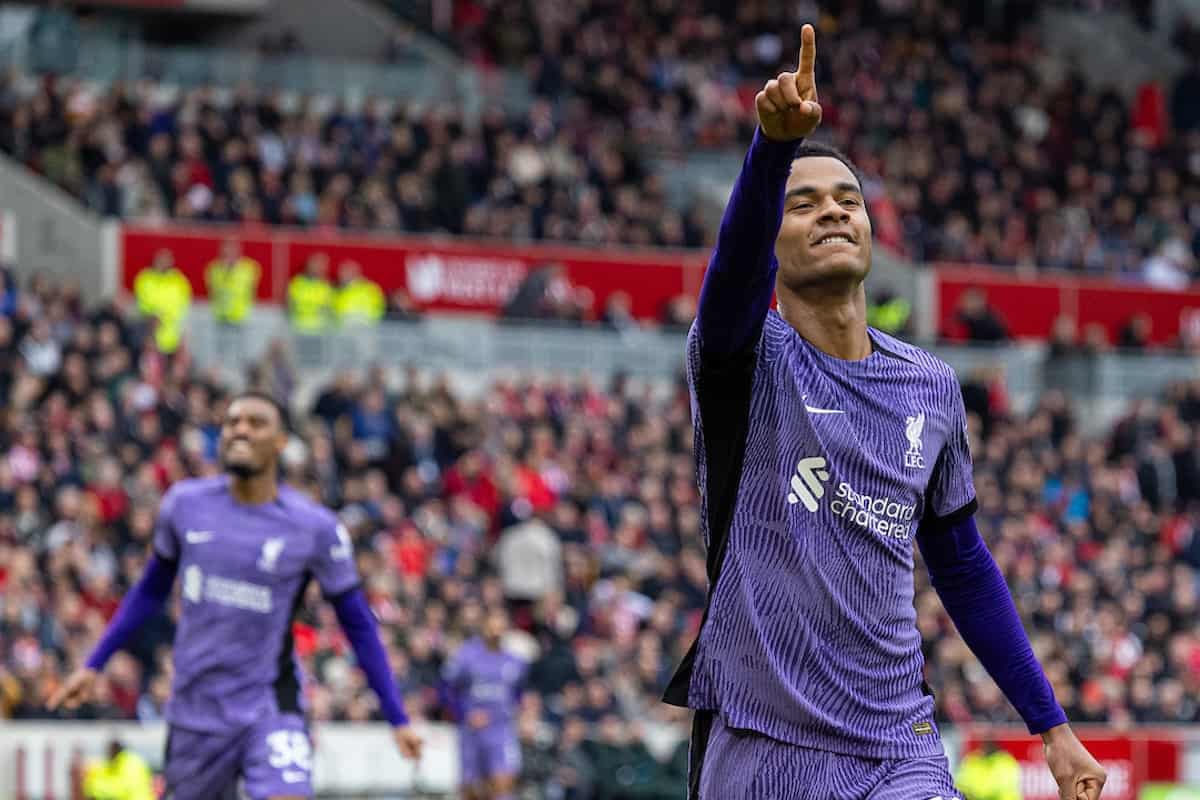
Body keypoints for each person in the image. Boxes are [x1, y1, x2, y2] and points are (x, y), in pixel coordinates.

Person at [660, 25, 1106, 800]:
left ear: (870, 229)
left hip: (898, 746)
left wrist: (1052, 726)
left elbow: (962, 565)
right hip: (766, 750)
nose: (832, 212)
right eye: (803, 205)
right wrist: (772, 151)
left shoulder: (929, 386)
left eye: (847, 201)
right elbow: (731, 273)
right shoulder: (742, 357)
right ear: (773, 234)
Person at [49, 392, 423, 799]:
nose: (240, 429)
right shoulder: (185, 505)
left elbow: (358, 623)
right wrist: (95, 663)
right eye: (232, 422)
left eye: (256, 422)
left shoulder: (313, 528)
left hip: (269, 703)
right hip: (196, 710)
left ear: (281, 442)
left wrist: (396, 715)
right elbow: (149, 591)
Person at [442, 607, 528, 800]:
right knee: (472, 790)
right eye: (492, 624)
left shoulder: (515, 662)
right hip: (472, 731)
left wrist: (520, 713)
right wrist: (464, 714)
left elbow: (519, 694)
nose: (496, 630)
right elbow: (447, 689)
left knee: (504, 784)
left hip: (501, 730)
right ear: (484, 626)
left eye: (501, 625)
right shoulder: (466, 656)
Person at [133, 249, 192, 354]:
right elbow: (140, 305)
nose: (163, 262)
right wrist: (150, 317)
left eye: (166, 259)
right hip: (148, 334)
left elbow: (185, 310)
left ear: (172, 261)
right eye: (160, 259)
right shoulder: (144, 278)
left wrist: (183, 338)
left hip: (172, 337)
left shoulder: (179, 281)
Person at [205, 239, 262, 327]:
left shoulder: (248, 269)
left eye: (231, 251)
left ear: (238, 252)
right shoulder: (214, 269)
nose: (229, 255)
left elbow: (252, 290)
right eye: (226, 252)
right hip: (220, 316)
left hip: (241, 316)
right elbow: (212, 291)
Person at [81, 739, 155, 800]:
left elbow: (122, 788)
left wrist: (93, 787)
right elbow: (103, 772)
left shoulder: (131, 763)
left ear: (114, 750)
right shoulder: (118, 762)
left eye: (109, 751)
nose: (107, 754)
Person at [956, 739, 1022, 800]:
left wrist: (973, 792)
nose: (986, 747)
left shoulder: (1005, 761)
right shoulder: (973, 760)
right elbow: (961, 784)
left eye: (989, 744)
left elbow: (998, 788)